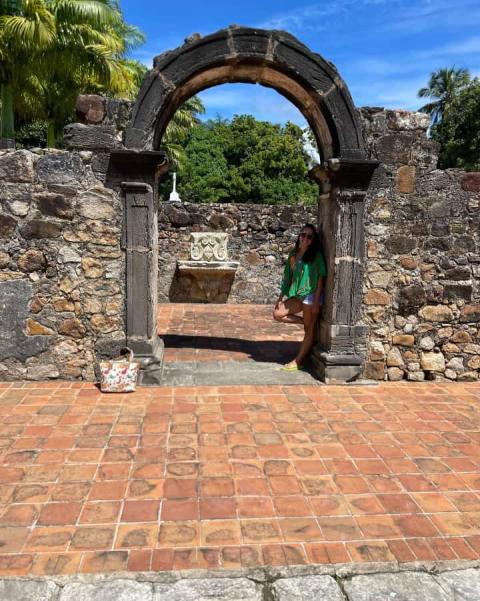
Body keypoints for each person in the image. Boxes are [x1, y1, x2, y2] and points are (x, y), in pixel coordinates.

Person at [273, 223, 327, 371]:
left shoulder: (316, 256)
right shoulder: (293, 254)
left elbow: (321, 278)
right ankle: (306, 322)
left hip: (311, 296)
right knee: (278, 314)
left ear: (313, 240)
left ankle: (297, 361)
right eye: (303, 235)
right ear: (299, 236)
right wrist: (280, 297)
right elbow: (287, 277)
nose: (305, 238)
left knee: (308, 332)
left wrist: (316, 302)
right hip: (297, 295)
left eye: (309, 236)